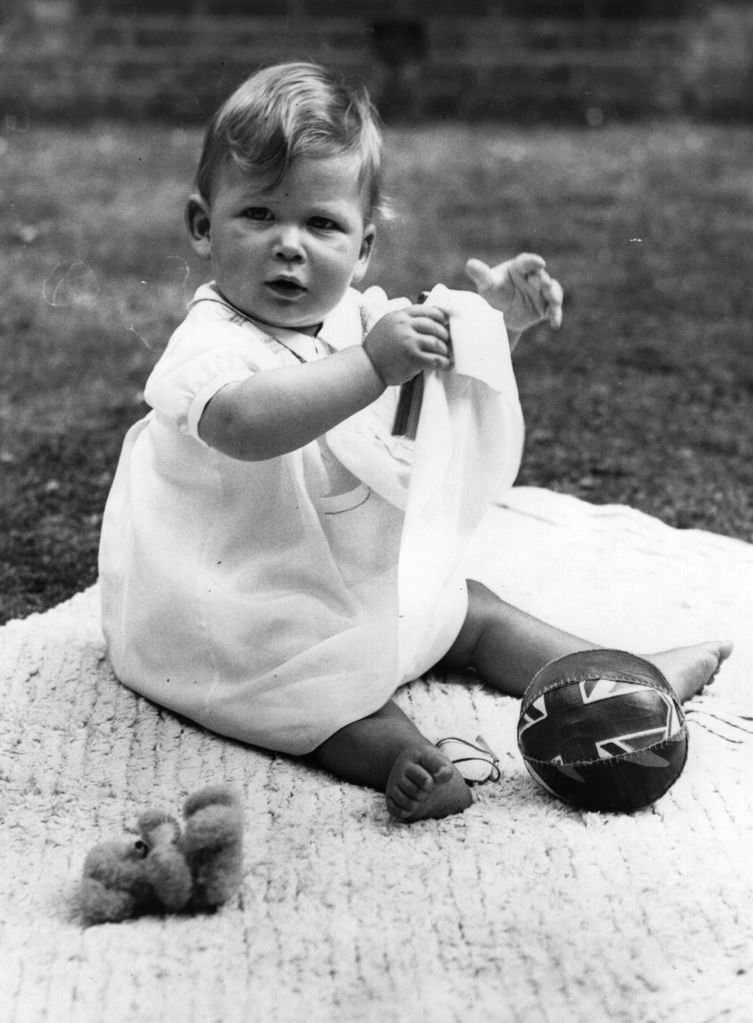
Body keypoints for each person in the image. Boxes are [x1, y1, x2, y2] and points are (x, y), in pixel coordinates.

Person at [99, 62, 732, 824]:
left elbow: (421, 386)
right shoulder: (208, 348)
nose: (289, 246)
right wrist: (369, 366)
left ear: (363, 248)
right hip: (236, 608)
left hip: (326, 565)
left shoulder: (358, 320)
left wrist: (493, 320)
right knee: (316, 692)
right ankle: (405, 756)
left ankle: (614, 676)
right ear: (203, 226)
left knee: (470, 611)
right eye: (259, 215)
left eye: (320, 224)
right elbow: (246, 423)